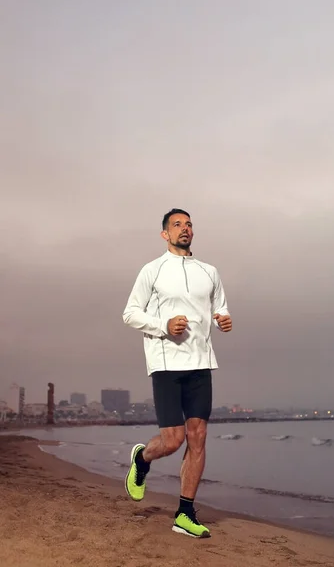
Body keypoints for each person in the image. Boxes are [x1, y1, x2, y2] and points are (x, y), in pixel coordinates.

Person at [122, 208, 232, 538]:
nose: (184, 229)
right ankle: (142, 459)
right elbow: (130, 313)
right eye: (177, 225)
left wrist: (223, 318)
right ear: (165, 234)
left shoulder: (209, 271)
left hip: (200, 363)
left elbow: (220, 306)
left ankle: (185, 513)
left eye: (188, 224)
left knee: (198, 436)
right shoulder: (152, 271)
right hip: (167, 362)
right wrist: (163, 326)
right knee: (174, 440)